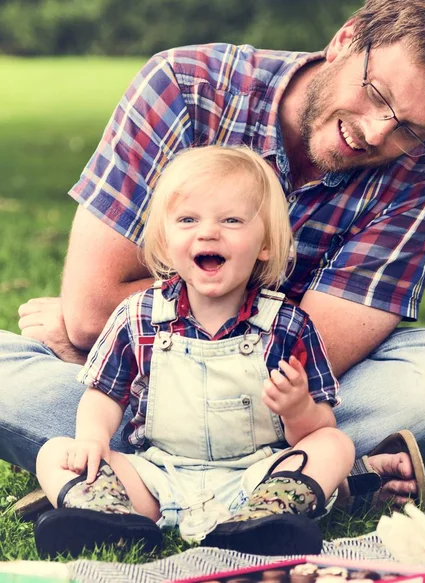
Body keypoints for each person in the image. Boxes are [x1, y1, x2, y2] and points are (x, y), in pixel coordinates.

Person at [1, 0, 425, 516]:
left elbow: (312, 355)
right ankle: (319, 479)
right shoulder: (186, 86)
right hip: (184, 396)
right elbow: (94, 309)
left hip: (282, 403)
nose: (375, 133)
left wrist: (109, 348)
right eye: (376, 95)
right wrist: (109, 333)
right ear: (345, 40)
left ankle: (113, 481)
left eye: (410, 131)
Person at [33, 145, 356, 558]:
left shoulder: (288, 326)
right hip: (158, 476)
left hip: (254, 478)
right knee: (56, 453)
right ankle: (113, 518)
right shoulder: (138, 316)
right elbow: (104, 394)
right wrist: (93, 439)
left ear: (266, 245)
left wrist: (298, 410)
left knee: (334, 445)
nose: (208, 233)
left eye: (232, 221)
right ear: (166, 243)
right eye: (188, 220)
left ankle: (265, 521)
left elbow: (318, 425)